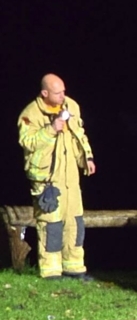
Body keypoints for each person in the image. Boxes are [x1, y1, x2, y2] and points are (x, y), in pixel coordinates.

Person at [17, 74, 97, 280]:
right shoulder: (31, 114)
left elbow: (80, 134)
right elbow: (28, 142)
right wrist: (51, 130)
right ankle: (51, 271)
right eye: (57, 92)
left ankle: (75, 268)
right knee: (51, 225)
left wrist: (86, 158)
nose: (63, 95)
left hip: (70, 178)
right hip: (47, 179)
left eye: (63, 91)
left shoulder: (71, 106)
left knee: (75, 223)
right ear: (45, 93)